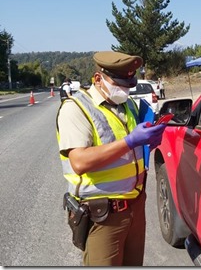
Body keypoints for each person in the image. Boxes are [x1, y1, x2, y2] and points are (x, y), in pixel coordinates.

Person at [56, 51, 167, 266]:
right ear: (98, 78)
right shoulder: (76, 108)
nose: (125, 90)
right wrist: (130, 141)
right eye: (119, 83)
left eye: (128, 84)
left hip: (135, 206)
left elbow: (131, 151)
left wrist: (148, 143)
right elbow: (79, 162)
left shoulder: (129, 106)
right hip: (103, 215)